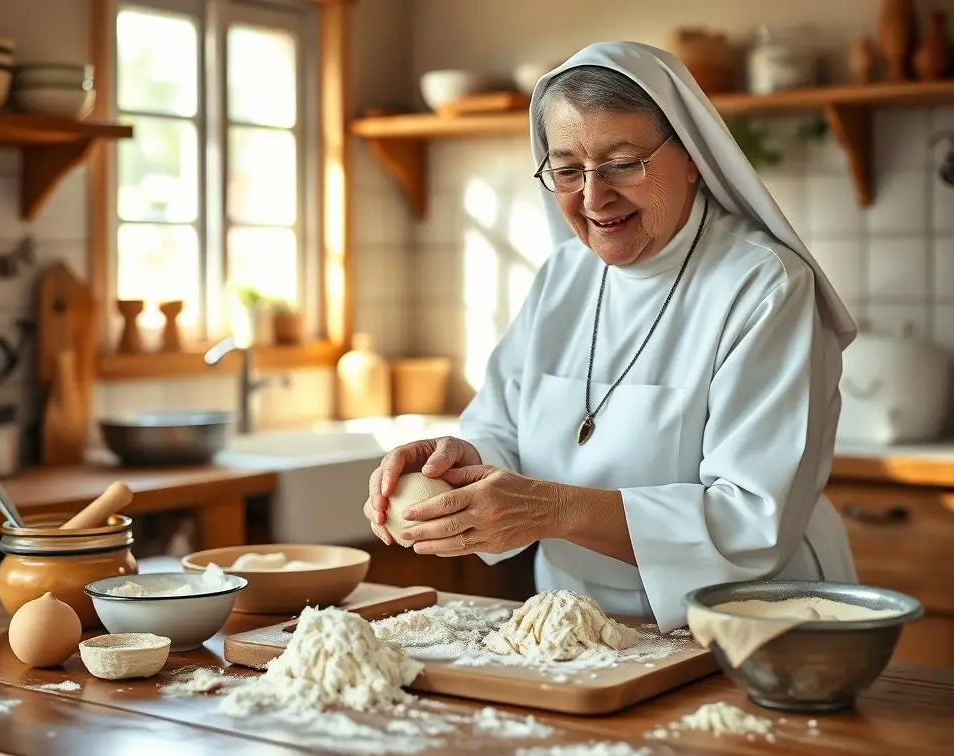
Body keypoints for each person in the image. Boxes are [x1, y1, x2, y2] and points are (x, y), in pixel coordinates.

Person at [361, 41, 859, 632]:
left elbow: (752, 521)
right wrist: (457, 467)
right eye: (567, 169)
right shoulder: (561, 278)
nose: (594, 197)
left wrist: (551, 509)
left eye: (623, 163)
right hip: (573, 624)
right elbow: (499, 428)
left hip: (750, 622)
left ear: (693, 155)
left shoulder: (764, 286)